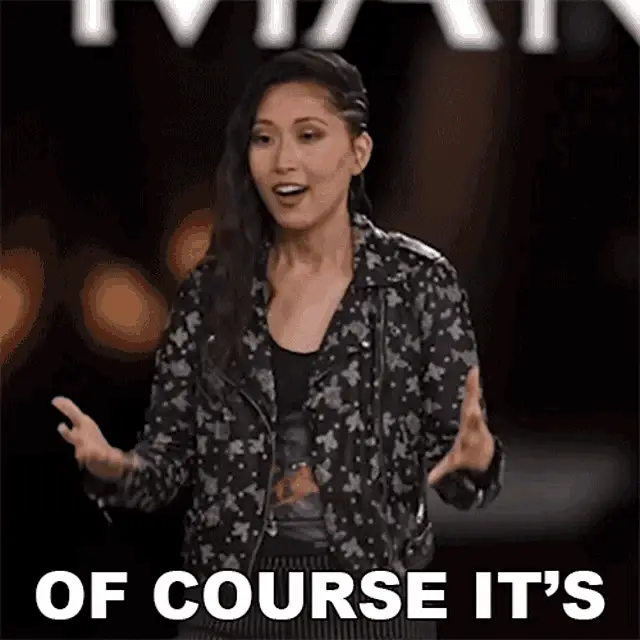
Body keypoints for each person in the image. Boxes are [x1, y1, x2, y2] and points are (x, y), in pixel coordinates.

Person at [53, 49, 505, 640]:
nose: (285, 160)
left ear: (357, 153)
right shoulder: (210, 293)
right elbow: (167, 465)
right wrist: (113, 468)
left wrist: (475, 464)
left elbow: (458, 466)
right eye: (265, 139)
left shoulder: (418, 284)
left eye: (308, 136)